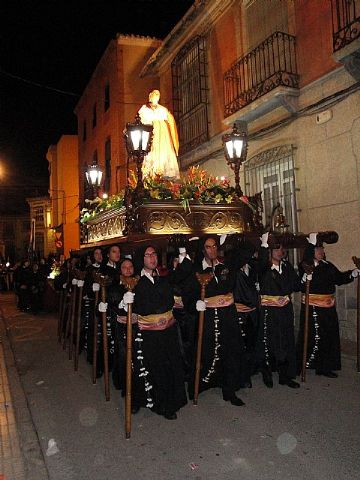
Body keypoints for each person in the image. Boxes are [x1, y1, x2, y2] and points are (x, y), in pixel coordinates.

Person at [125, 245, 187, 420]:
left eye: (154, 254)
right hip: (150, 334)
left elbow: (182, 277)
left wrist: (182, 252)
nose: (152, 258)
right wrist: (125, 303)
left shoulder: (163, 278)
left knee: (172, 365)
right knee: (156, 368)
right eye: (148, 255)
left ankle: (173, 400)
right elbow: (130, 309)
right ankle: (161, 404)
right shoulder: (135, 283)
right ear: (141, 259)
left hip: (168, 330)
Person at [192, 236, 246, 406]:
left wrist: (232, 239)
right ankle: (203, 384)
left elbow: (247, 252)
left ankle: (229, 390)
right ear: (203, 250)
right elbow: (186, 290)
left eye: (215, 246)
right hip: (208, 316)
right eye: (208, 247)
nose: (212, 250)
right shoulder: (197, 270)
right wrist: (195, 302)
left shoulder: (226, 266)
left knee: (230, 350)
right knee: (208, 351)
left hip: (228, 314)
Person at [297, 233, 360, 378]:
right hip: (312, 308)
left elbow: (339, 278)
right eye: (318, 250)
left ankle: (325, 366)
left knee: (328, 337)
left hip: (328, 308)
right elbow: (301, 284)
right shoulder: (306, 266)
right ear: (312, 251)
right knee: (314, 336)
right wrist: (307, 276)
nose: (322, 252)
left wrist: (352, 274)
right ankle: (306, 363)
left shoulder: (328, 265)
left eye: (322, 250)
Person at [256, 232, 301, 389]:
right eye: (275, 249)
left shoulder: (287, 267)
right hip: (269, 310)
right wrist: (263, 244)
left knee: (286, 341)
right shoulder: (264, 268)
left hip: (285, 310)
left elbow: (295, 285)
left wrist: (304, 278)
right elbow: (261, 263)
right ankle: (267, 373)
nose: (279, 252)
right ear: (269, 252)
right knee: (268, 342)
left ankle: (285, 375)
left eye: (281, 249)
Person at [138, 89, 180, 179]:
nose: (156, 96)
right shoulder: (144, 109)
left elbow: (170, 121)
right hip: (152, 136)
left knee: (164, 154)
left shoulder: (163, 109)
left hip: (163, 138)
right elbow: (140, 121)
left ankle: (162, 170)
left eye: (158, 95)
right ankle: (153, 171)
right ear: (150, 96)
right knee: (152, 154)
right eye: (154, 94)